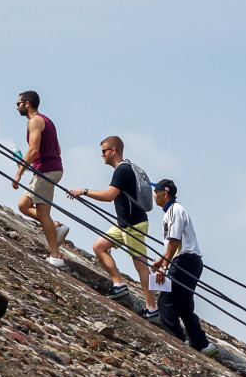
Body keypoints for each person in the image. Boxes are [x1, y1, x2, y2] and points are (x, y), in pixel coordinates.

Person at [67, 137, 157, 317]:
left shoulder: (122, 170)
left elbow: (109, 195)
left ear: (113, 151)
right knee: (99, 247)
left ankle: (151, 308)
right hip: (123, 223)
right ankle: (119, 285)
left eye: (104, 151)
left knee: (140, 265)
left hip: (133, 224)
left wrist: (84, 191)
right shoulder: (123, 169)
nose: (102, 155)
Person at [150, 180, 218, 357]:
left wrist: (164, 267)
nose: (153, 195)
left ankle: (177, 340)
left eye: (156, 192)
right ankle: (203, 345)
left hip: (185, 261)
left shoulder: (175, 210)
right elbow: (174, 244)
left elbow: (174, 241)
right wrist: (162, 259)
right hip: (190, 260)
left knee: (165, 301)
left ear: (165, 194)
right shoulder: (171, 212)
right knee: (184, 305)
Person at [12, 91, 68, 267]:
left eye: (18, 103)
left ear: (27, 104)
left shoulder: (34, 121)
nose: (16, 106)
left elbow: (34, 150)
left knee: (43, 214)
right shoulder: (47, 120)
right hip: (49, 169)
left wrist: (20, 171)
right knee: (23, 205)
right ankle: (56, 226)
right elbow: (57, 149)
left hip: (46, 171)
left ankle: (56, 256)